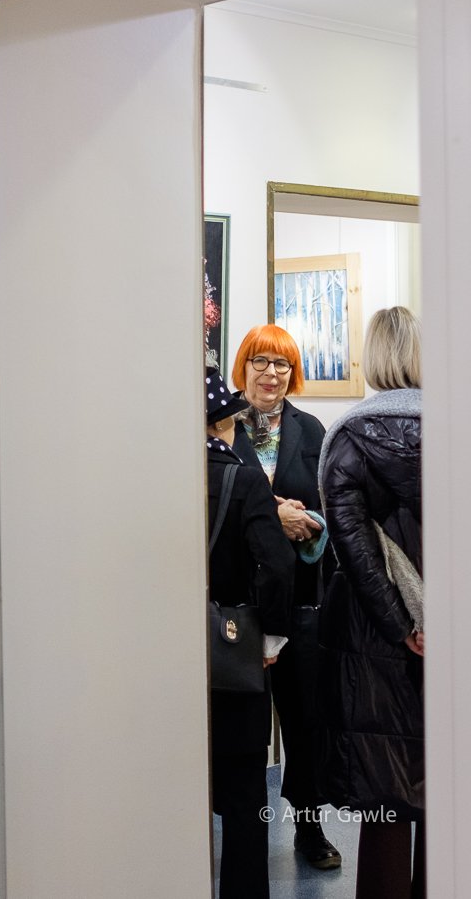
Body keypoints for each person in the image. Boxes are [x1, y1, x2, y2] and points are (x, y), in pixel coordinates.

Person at [317, 306, 425, 899]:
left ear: (372, 358)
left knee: (384, 801)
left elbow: (356, 553)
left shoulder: (347, 437)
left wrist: (401, 626)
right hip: (451, 632)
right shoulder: (465, 431)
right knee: (447, 796)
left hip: (371, 640)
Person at [228, 324, 341, 870]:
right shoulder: (221, 427)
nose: (271, 374)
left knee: (305, 721)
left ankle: (309, 827)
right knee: (243, 724)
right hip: (239, 603)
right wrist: (273, 513)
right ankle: (241, 834)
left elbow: (332, 508)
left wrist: (306, 519)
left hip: (300, 602)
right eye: (261, 362)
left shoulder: (310, 429)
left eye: (282, 364)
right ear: (243, 366)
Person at [205, 368, 295, 899]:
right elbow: (277, 566)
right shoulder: (243, 479)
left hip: (163, 657)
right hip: (233, 653)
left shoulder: (150, 476)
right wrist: (270, 640)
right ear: (220, 424)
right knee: (243, 796)